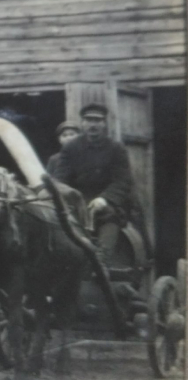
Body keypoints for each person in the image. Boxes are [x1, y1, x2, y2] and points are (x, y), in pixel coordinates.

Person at [53, 104, 137, 268]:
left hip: (106, 201)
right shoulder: (71, 148)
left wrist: (105, 199)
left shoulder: (116, 148)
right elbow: (60, 178)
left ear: (104, 124)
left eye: (97, 121)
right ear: (83, 123)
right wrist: (69, 196)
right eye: (88, 120)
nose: (93, 125)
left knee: (108, 216)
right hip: (77, 200)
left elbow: (122, 180)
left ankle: (101, 260)